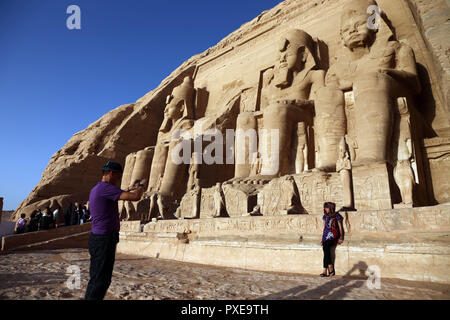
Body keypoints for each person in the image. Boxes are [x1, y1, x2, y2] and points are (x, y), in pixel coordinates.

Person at [85, 160, 147, 300]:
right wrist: (142, 186)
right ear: (112, 174)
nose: (118, 180)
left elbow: (118, 193)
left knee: (96, 279)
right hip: (104, 239)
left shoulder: (98, 188)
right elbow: (136, 197)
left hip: (99, 238)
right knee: (101, 281)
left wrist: (129, 188)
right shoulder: (106, 188)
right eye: (118, 177)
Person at [320, 202, 344, 277]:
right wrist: (322, 239)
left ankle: (325, 269)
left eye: (327, 207)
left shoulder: (337, 216)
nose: (325, 209)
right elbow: (324, 228)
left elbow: (340, 227)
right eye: (325, 207)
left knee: (326, 246)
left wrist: (341, 237)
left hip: (334, 236)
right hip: (326, 236)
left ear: (331, 208)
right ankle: (329, 267)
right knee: (325, 248)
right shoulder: (325, 216)